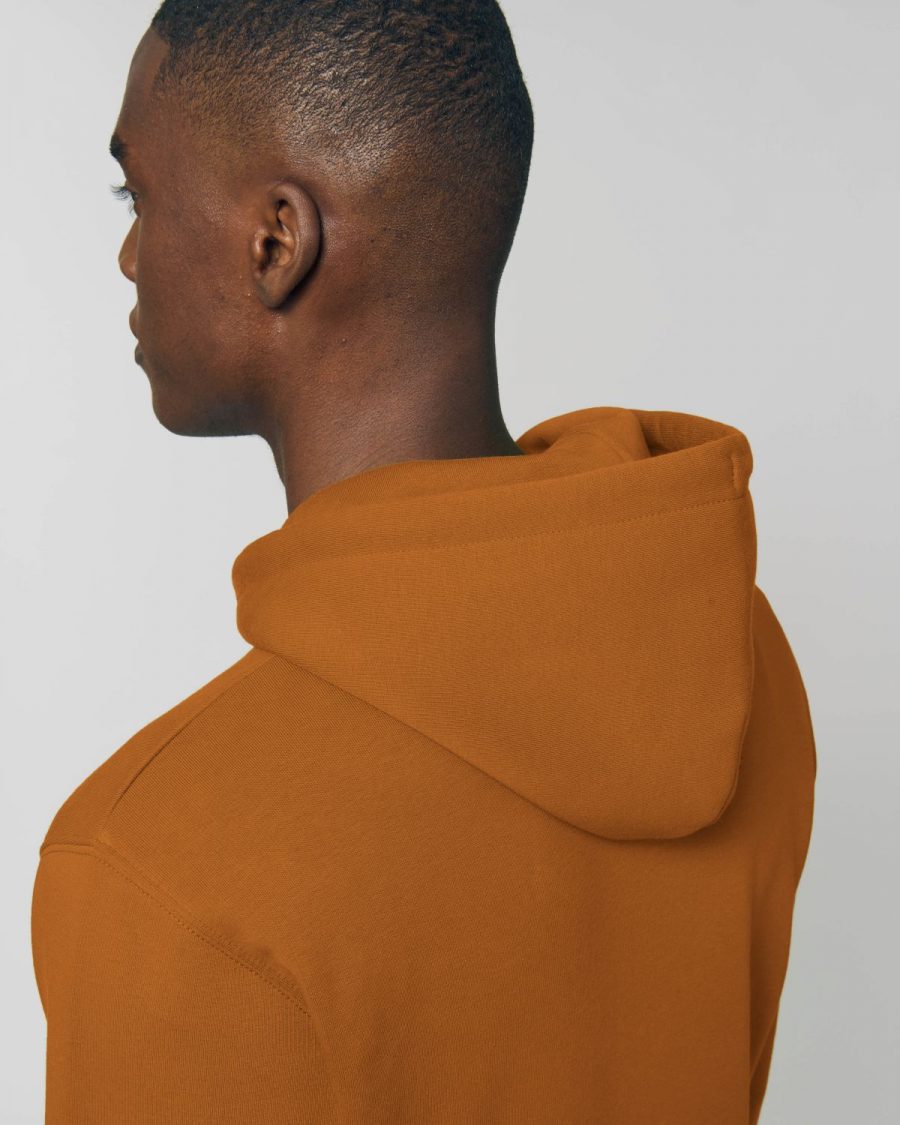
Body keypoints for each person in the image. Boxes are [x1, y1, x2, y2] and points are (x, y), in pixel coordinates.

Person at [30, 2, 816, 1122]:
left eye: (138, 197)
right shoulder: (732, 657)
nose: (127, 255)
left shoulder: (157, 871)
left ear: (277, 242)